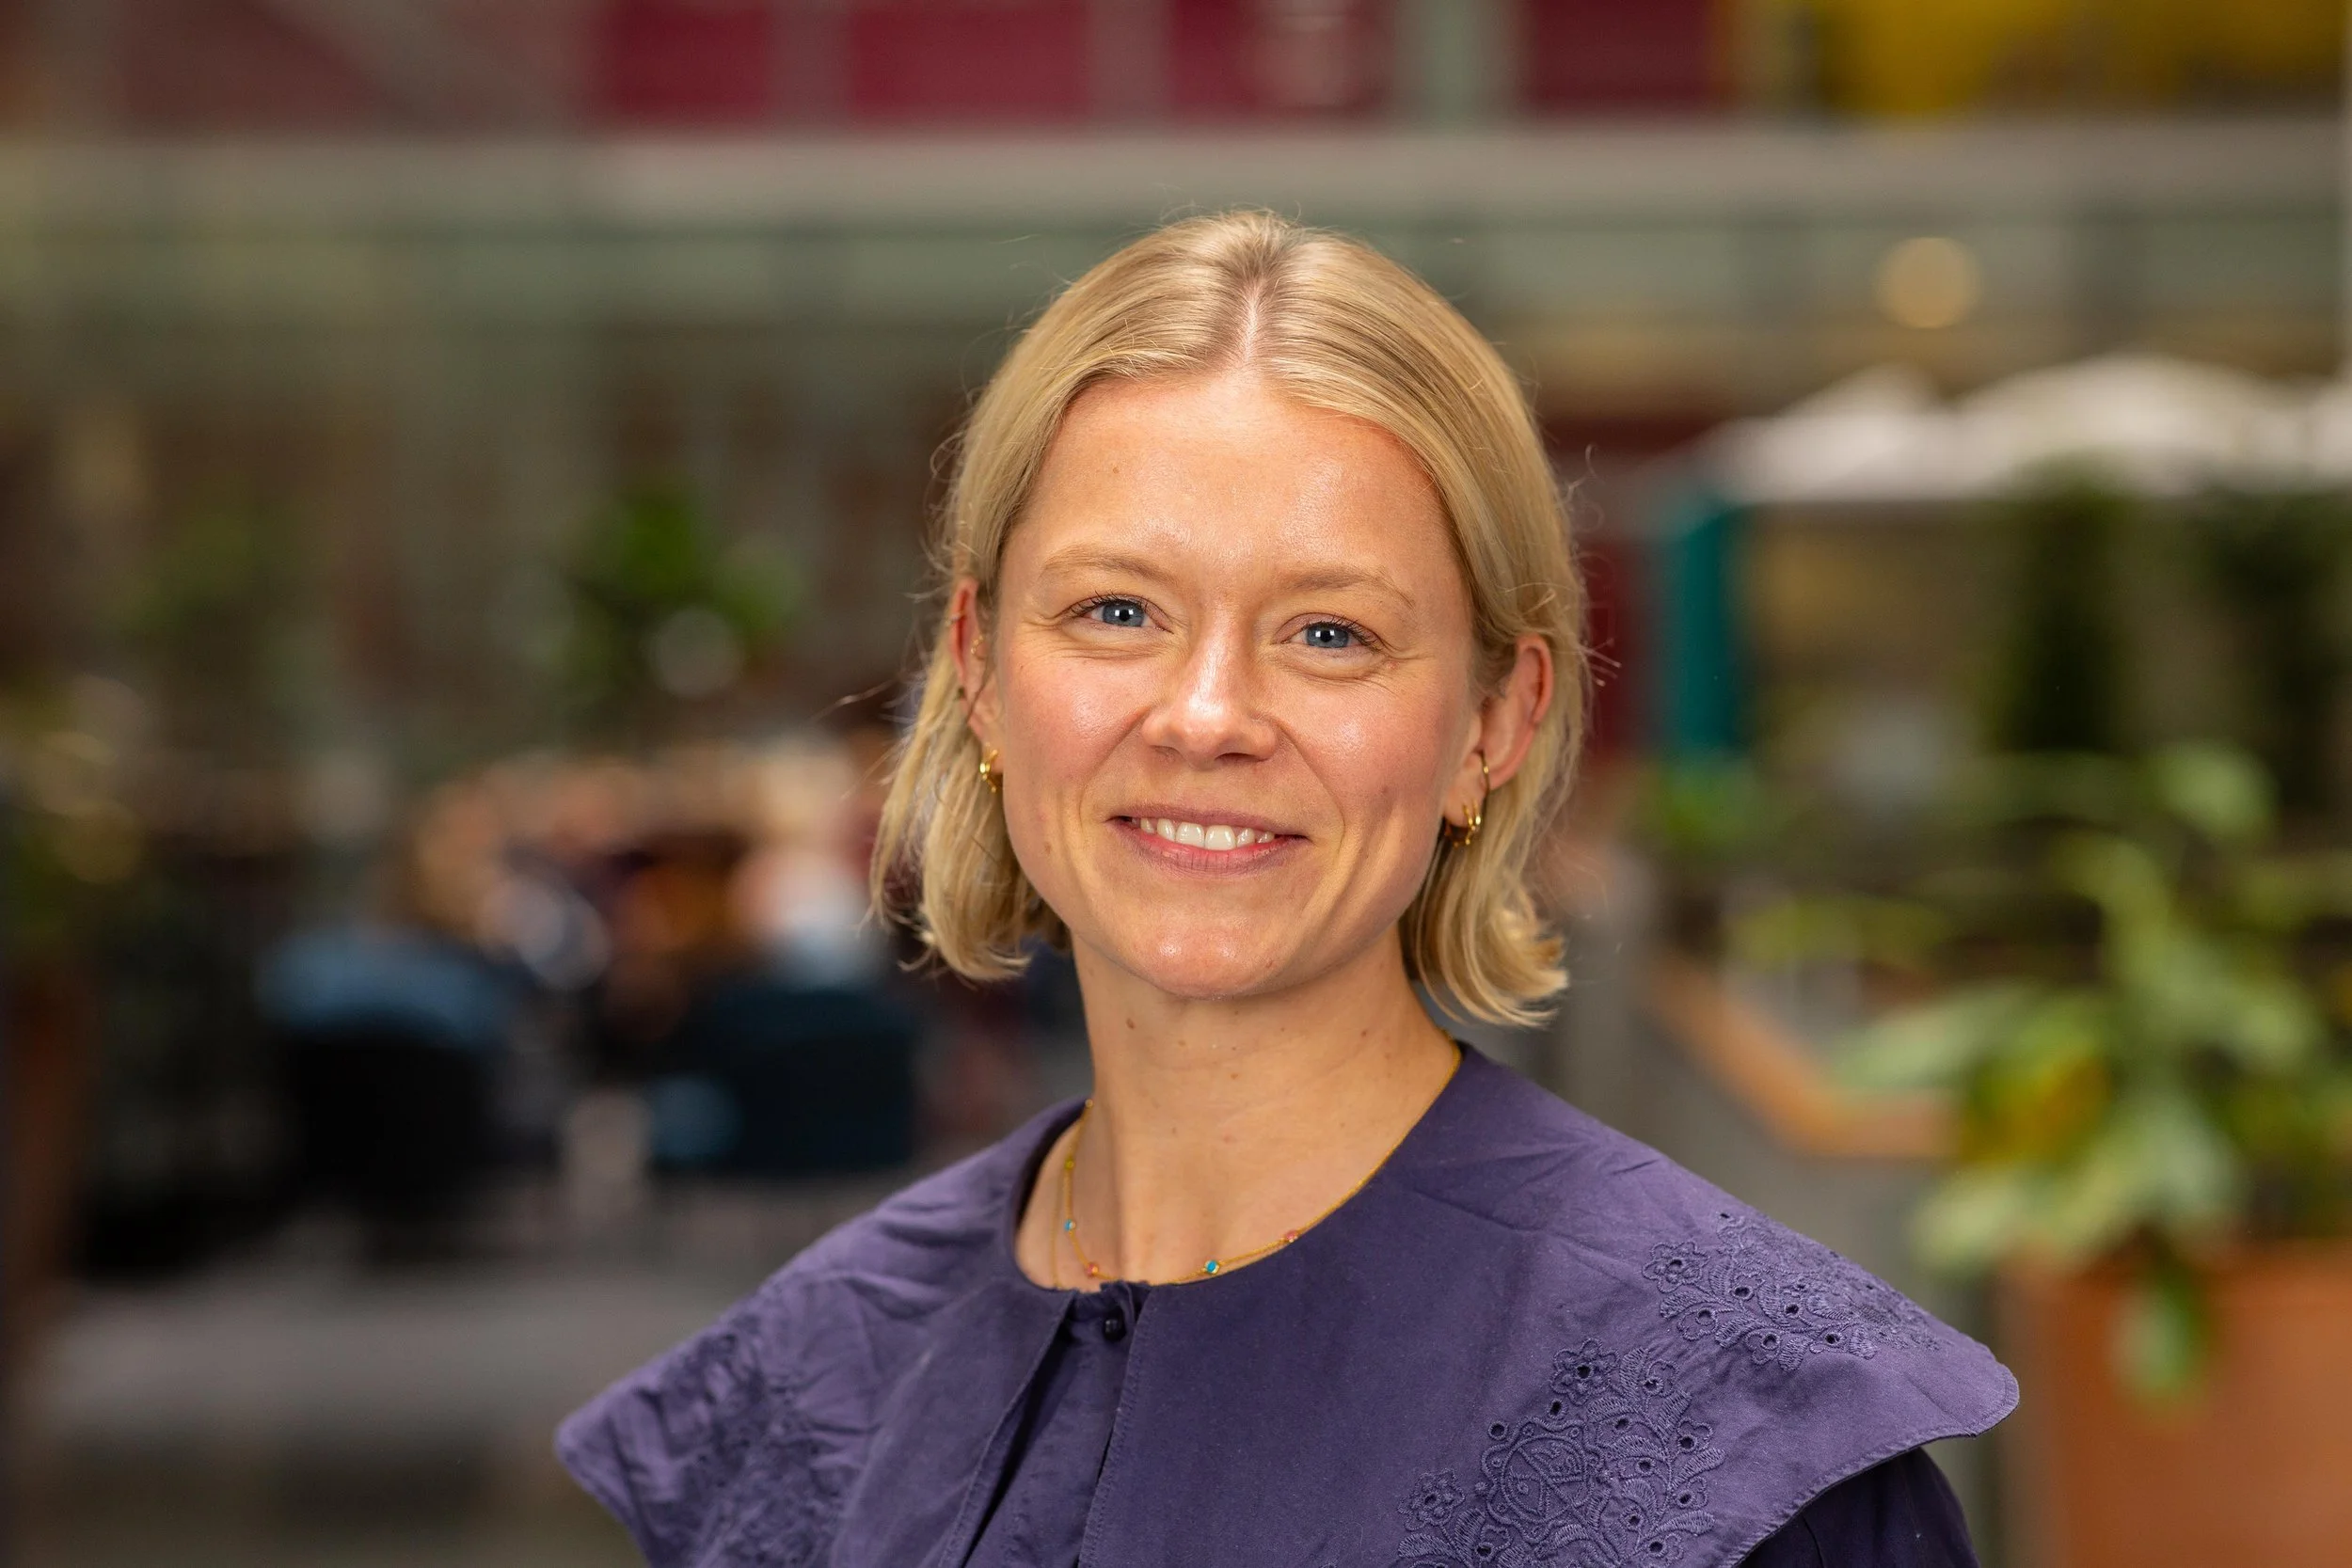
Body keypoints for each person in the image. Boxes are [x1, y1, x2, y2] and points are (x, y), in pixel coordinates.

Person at [556, 211, 2014, 1568]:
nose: (1207, 715)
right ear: (981, 670)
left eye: (1329, 632)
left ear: (1495, 722)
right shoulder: (810, 1385)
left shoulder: (1751, 1446)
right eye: (1117, 609)